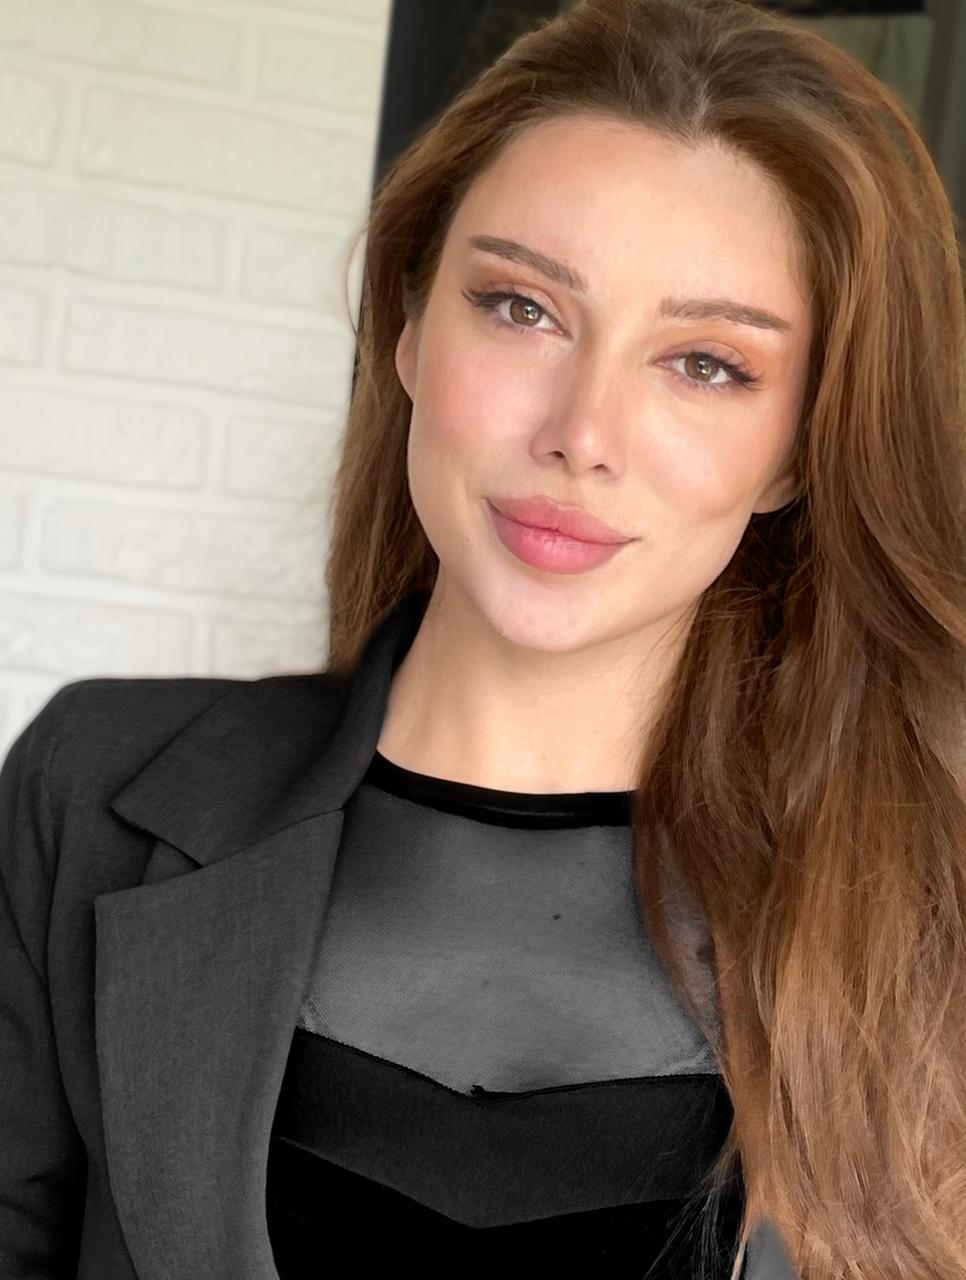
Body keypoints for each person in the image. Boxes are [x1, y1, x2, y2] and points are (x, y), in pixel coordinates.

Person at [1, 0, 964, 1276]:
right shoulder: (97, 792)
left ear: (798, 449)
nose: (583, 433)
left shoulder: (928, 896)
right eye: (522, 307)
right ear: (410, 325)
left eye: (706, 364)